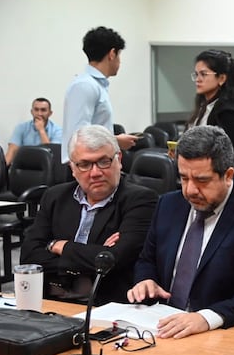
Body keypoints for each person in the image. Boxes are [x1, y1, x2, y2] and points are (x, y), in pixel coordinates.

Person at [127, 125, 234, 339]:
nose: (190, 190)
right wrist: (145, 280)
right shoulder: (168, 205)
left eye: (202, 180)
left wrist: (207, 318)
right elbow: (147, 259)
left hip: (222, 337)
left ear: (228, 175)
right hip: (161, 328)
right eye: (184, 178)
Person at [20, 125, 157, 304]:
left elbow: (115, 259)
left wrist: (59, 246)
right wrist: (96, 253)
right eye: (84, 165)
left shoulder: (141, 200)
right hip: (51, 301)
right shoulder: (54, 196)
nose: (95, 173)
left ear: (119, 159)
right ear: (72, 168)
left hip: (105, 304)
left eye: (103, 161)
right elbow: (29, 256)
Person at [62, 26, 138, 164]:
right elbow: (79, 136)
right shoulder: (85, 86)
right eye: (119, 55)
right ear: (112, 54)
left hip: (97, 164)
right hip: (85, 167)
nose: (120, 61)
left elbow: (92, 131)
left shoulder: (96, 85)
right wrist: (116, 141)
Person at [188, 49, 234, 184]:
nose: (198, 79)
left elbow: (225, 155)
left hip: (223, 183)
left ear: (221, 78)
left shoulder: (227, 112)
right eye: (196, 74)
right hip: (202, 178)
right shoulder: (203, 107)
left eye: (203, 74)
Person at [5, 98, 63, 165]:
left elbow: (52, 155)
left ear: (50, 113)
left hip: (46, 167)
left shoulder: (58, 131)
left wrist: (41, 130)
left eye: (43, 110)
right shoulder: (21, 127)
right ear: (32, 112)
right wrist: (2, 170)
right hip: (24, 166)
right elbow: (12, 152)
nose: (39, 113)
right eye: (36, 110)